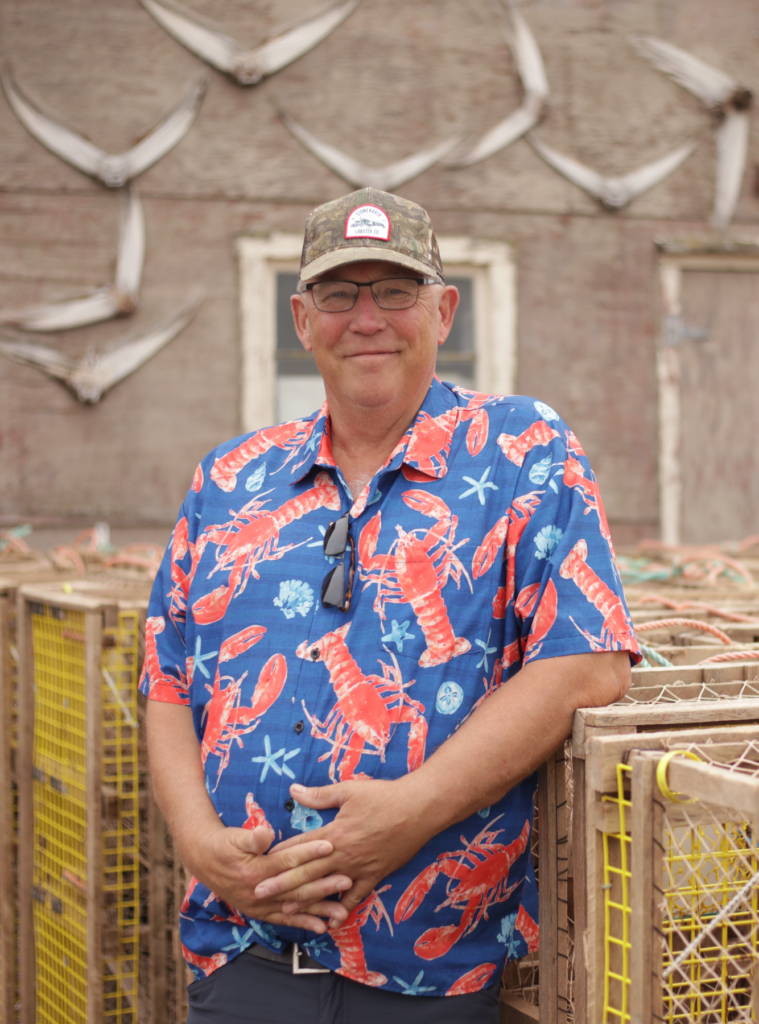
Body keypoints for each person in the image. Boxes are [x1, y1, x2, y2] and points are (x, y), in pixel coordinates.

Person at [142, 187, 639, 1023]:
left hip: (435, 977)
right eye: (339, 294)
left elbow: (584, 662)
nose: (365, 318)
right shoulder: (229, 480)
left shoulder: (520, 449)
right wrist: (199, 846)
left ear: (443, 312)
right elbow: (166, 680)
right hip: (243, 958)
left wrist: (408, 815)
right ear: (301, 321)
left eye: (394, 291)